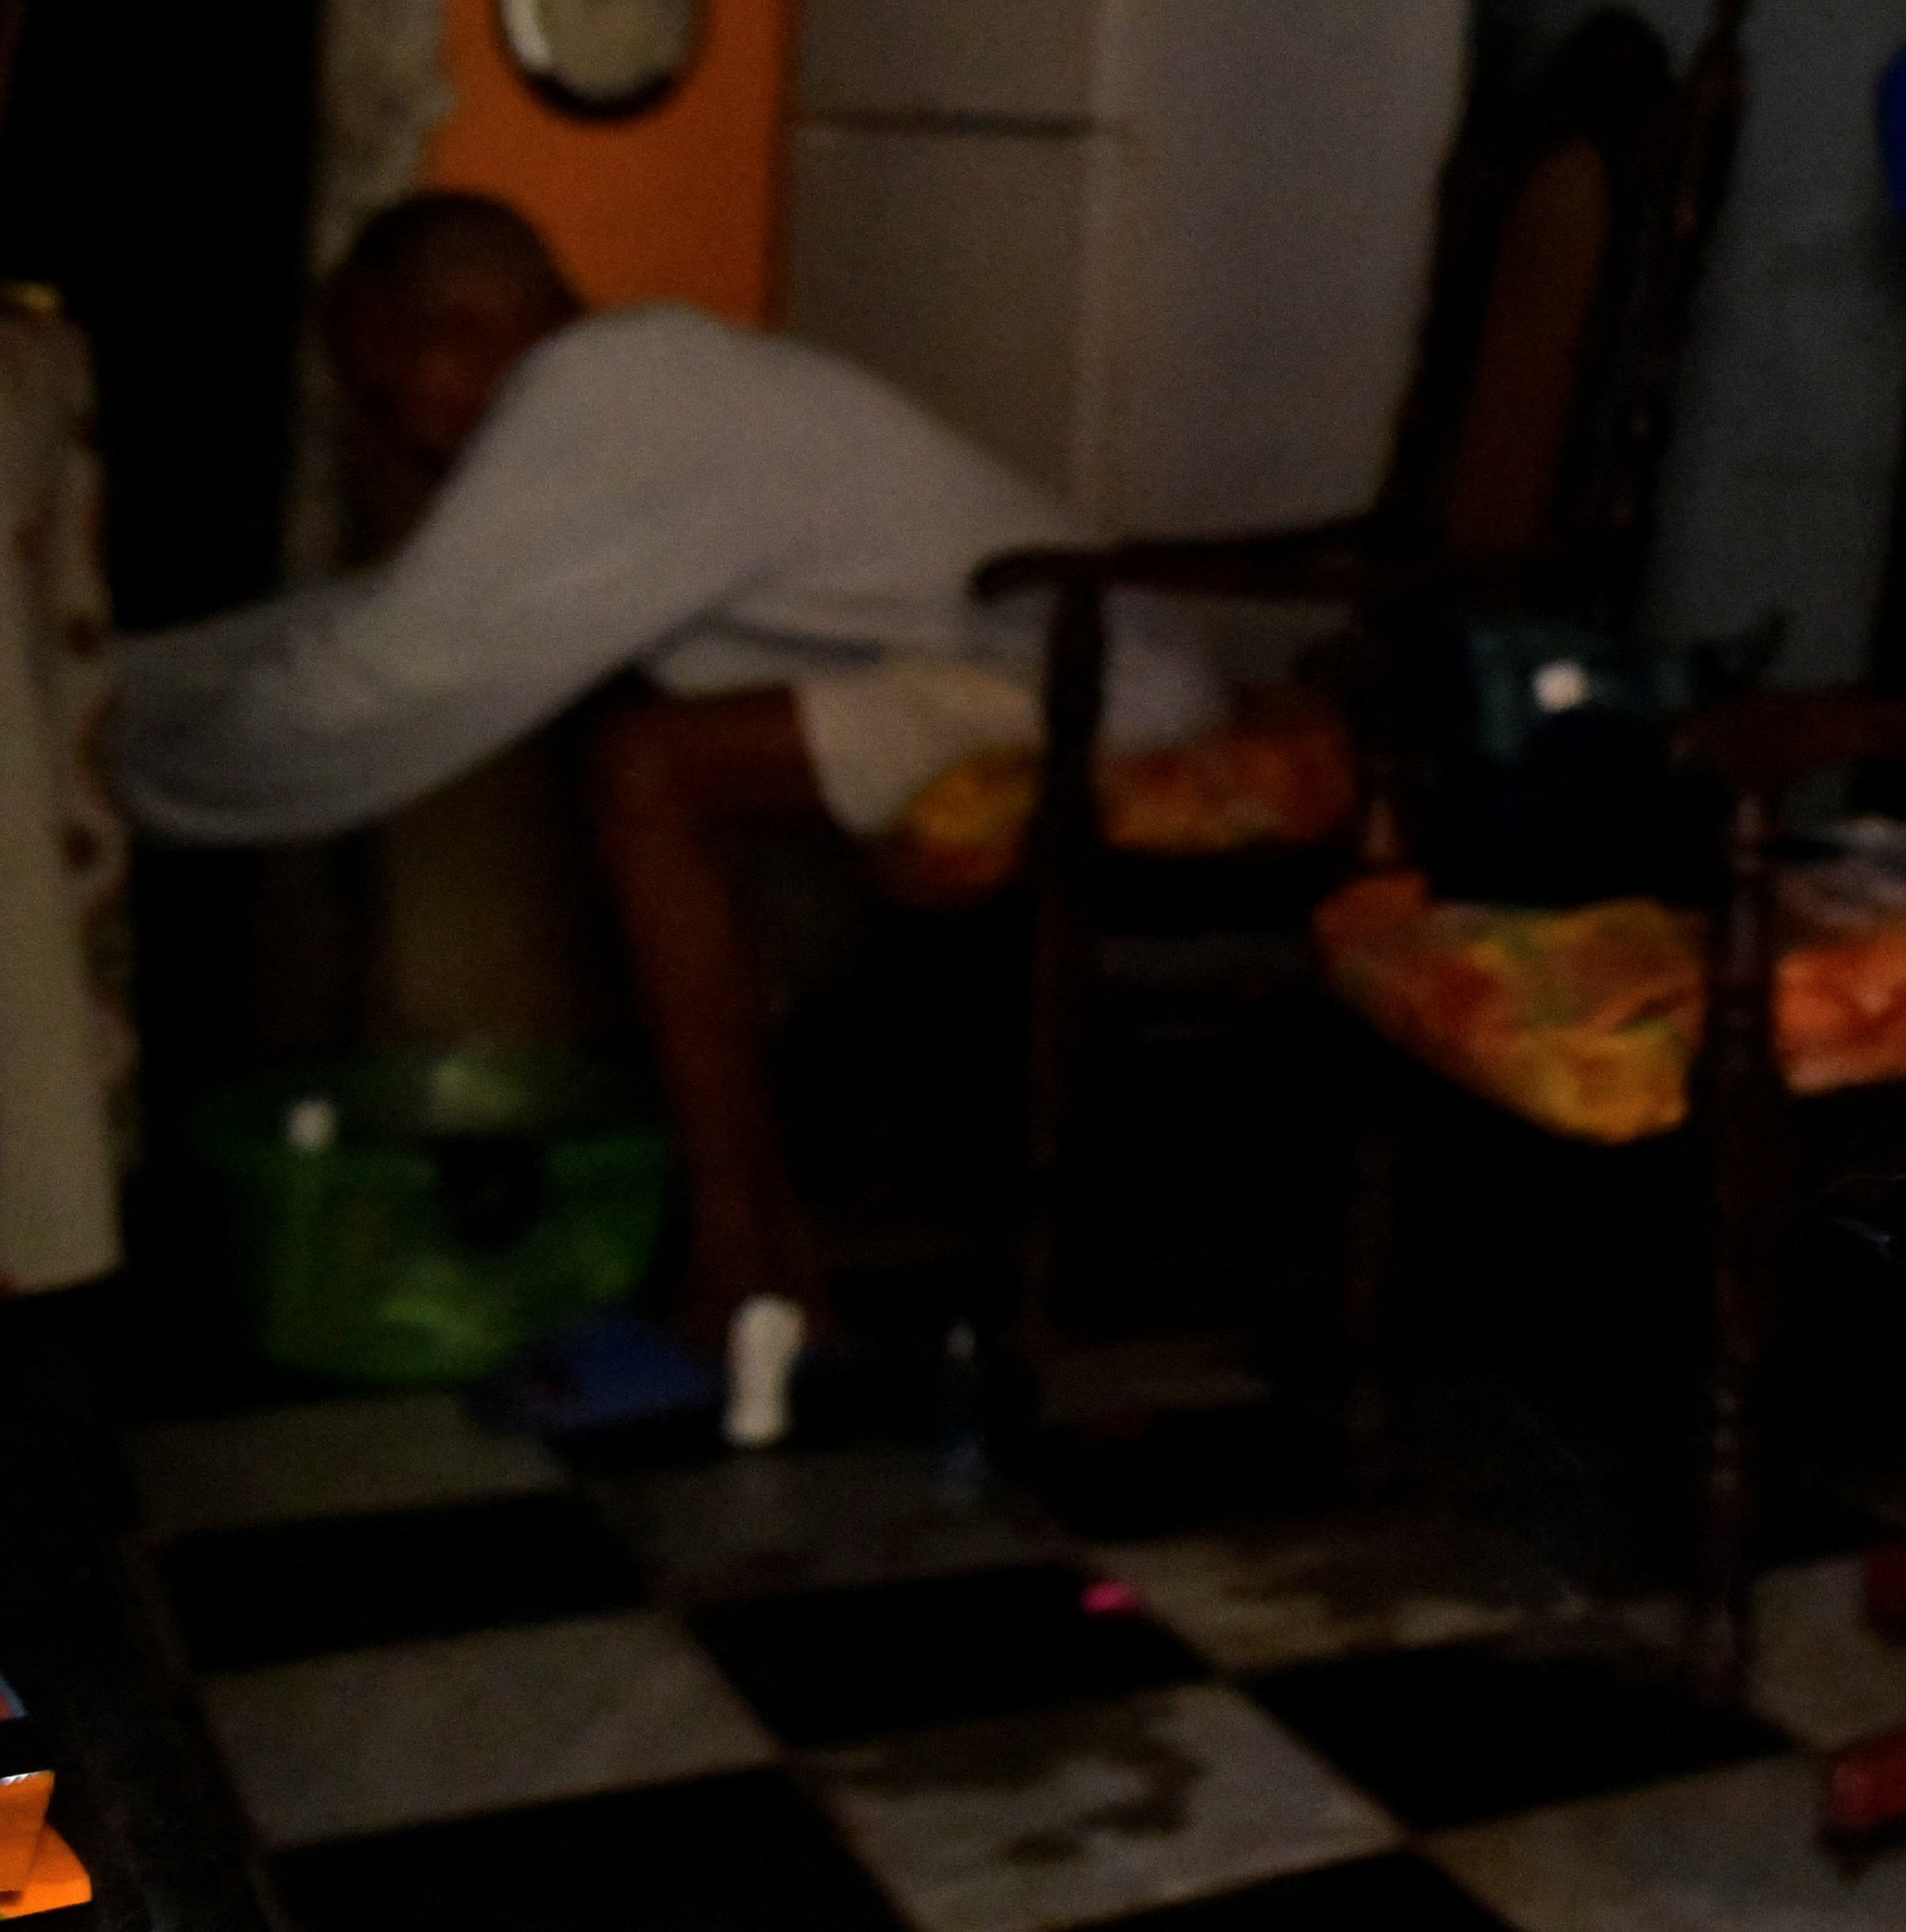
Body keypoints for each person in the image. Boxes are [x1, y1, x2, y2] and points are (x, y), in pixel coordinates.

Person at [112, 193, 1219, 1330]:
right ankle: (758, 1236)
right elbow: (380, 620)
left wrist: (121, 787)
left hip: (1101, 688)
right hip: (1068, 669)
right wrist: (112, 686)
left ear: (456, 334)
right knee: (657, 765)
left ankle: (743, 1248)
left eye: (390, 397)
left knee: (648, 768)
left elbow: (394, 674)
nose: (401, 439)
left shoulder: (609, 395)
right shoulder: (626, 383)